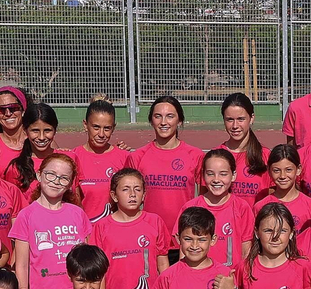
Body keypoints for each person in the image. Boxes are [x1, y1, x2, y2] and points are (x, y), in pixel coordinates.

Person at [11, 153, 90, 289]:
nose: (56, 181)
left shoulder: (77, 214)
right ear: (39, 175)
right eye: (51, 174)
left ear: (70, 184)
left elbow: (87, 262)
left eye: (63, 178)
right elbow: (22, 266)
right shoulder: (26, 216)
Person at [128, 96, 201, 233]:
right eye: (158, 116)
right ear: (151, 120)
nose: (163, 122)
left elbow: (204, 200)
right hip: (149, 234)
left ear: (179, 121)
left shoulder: (195, 155)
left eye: (170, 116)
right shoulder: (137, 156)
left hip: (184, 236)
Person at [185, 149, 251, 268]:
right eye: (210, 174)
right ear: (203, 175)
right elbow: (183, 250)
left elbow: (246, 249)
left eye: (223, 174)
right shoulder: (191, 207)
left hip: (230, 278)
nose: (216, 179)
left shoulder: (242, 207)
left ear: (233, 175)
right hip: (199, 279)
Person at [71, 99, 130, 220]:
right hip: (83, 232)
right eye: (96, 127)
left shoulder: (124, 158)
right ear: (85, 125)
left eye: (107, 128)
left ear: (114, 128)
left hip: (113, 232)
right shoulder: (73, 157)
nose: (101, 134)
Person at [218, 92, 270, 201]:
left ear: (251, 118)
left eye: (241, 119)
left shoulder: (265, 156)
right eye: (230, 120)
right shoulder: (215, 156)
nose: (235, 126)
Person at [3, 101, 60, 193]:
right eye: (35, 130)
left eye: (47, 130)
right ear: (25, 131)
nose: (41, 137)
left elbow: (76, 199)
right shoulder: (16, 168)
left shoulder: (68, 159)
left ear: (55, 130)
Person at [255, 144, 311, 230]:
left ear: (298, 169)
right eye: (276, 170)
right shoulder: (260, 207)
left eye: (288, 170)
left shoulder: (310, 206)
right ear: (268, 170)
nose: (282, 176)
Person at [0, 86, 32, 178]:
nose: (8, 113)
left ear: (23, 110)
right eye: (1, 110)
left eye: (13, 108)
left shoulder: (38, 140)